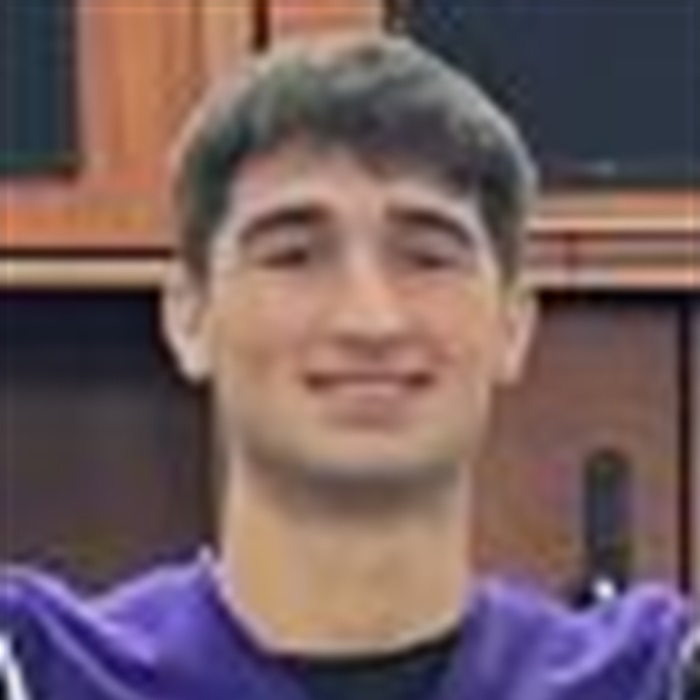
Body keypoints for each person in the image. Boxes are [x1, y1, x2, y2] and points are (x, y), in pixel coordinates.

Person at [0, 33, 696, 700]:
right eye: (294, 256)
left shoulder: (650, 678)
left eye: (427, 258)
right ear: (189, 316)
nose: (370, 320)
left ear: (514, 323)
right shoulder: (43, 669)